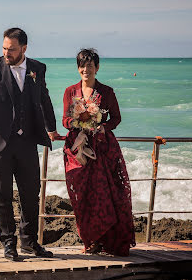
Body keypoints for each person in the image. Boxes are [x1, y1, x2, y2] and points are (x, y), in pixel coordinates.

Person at [0, 28, 59, 261]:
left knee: (30, 194)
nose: (6, 53)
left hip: (26, 143)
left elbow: (44, 98)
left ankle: (29, 242)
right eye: (4, 48)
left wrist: (51, 128)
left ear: (24, 49)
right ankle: (8, 244)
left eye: (11, 49)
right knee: (1, 196)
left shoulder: (37, 68)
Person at [62, 48, 135, 256]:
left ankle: (109, 241)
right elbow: (65, 120)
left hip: (103, 150)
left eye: (91, 66)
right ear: (78, 69)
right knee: (83, 196)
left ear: (97, 68)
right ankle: (91, 241)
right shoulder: (70, 91)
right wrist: (77, 121)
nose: (87, 69)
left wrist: (103, 126)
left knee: (106, 195)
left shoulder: (107, 92)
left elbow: (116, 118)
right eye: (83, 66)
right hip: (78, 151)